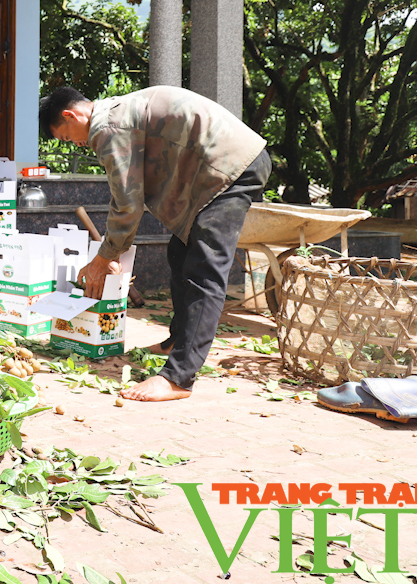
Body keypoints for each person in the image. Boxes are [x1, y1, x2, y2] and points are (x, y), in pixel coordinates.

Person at [40, 85, 270, 402]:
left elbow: (127, 203)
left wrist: (103, 257)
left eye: (67, 136)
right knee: (180, 254)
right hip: (215, 170)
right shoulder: (115, 112)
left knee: (204, 270)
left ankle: (178, 378)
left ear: (71, 114)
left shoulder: (106, 126)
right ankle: (177, 341)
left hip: (230, 168)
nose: (76, 144)